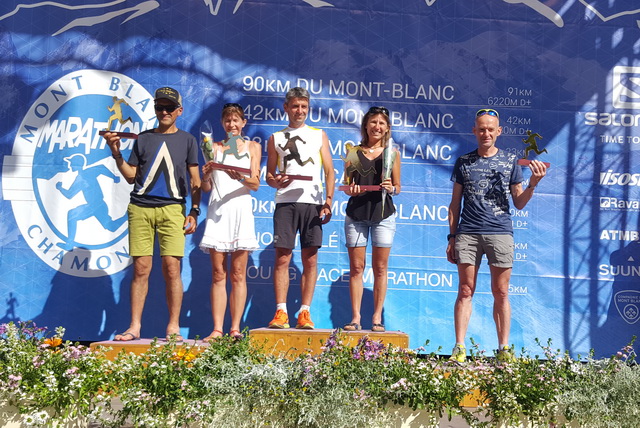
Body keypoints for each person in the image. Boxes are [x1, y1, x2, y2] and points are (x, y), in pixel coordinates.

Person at [446, 108, 546, 362]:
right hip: (467, 232)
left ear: (499, 132)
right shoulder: (464, 161)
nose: (486, 133)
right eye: (481, 129)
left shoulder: (511, 161)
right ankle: (459, 348)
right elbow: (454, 204)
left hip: (500, 232)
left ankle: (503, 350)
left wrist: (533, 183)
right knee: (466, 290)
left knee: (501, 292)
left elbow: (519, 202)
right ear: (474, 131)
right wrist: (451, 237)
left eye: (491, 129)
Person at [104, 86, 201, 342]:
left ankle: (173, 327)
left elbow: (195, 181)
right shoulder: (143, 138)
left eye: (170, 108)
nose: (164, 112)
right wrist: (116, 152)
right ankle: (134, 327)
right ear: (155, 110)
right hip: (140, 208)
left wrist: (194, 210)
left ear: (179, 111)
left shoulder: (188, 140)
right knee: (141, 269)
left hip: (173, 208)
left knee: (172, 269)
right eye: (160, 107)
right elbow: (131, 176)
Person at [265, 87, 335, 329]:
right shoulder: (275, 138)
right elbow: (269, 176)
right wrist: (276, 181)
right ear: (286, 107)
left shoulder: (319, 135)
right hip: (285, 202)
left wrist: (328, 201)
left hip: (313, 203)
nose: (299, 111)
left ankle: (305, 312)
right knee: (283, 257)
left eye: (304, 107)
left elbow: (329, 171)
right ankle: (281, 312)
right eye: (295, 106)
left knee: (310, 259)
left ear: (308, 109)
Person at [199, 103, 261, 340]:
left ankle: (234, 328)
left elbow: (255, 184)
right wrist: (205, 174)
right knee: (218, 273)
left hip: (241, 211)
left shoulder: (253, 147)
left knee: (238, 274)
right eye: (228, 121)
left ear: (243, 123)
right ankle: (217, 329)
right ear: (223, 124)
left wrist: (241, 177)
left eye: (236, 120)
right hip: (218, 212)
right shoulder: (212, 147)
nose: (232, 125)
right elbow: (206, 187)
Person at [341, 106, 401, 332]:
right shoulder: (353, 151)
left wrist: (391, 188)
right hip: (356, 213)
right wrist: (351, 189)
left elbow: (398, 187)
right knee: (357, 268)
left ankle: (376, 318)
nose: (377, 127)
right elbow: (346, 185)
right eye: (373, 122)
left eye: (382, 123)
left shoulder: (392, 154)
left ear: (387, 128)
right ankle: (355, 318)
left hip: (383, 214)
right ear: (366, 125)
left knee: (380, 268)